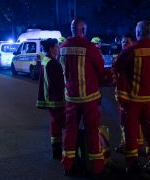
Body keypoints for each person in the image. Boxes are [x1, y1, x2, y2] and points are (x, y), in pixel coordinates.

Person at [114, 21, 150, 175]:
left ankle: (132, 163)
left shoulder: (131, 50)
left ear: (138, 32)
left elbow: (117, 65)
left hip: (133, 100)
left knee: (131, 131)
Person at [60, 18, 105, 177]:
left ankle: (68, 165)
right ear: (83, 30)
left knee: (70, 131)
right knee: (92, 131)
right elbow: (100, 68)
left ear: (72, 29)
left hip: (71, 98)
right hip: (89, 97)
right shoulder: (89, 46)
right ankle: (97, 167)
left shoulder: (63, 46)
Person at [36, 38, 65, 160]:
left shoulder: (46, 60)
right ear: (51, 48)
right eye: (57, 47)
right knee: (60, 124)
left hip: (50, 98)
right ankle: (58, 151)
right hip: (56, 98)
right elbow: (58, 82)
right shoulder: (53, 63)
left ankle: (56, 150)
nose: (58, 49)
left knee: (54, 124)